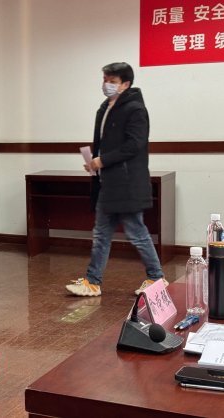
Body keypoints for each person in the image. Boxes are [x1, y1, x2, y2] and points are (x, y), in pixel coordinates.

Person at [65, 62, 168, 297]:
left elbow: (134, 145)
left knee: (137, 233)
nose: (106, 85)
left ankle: (156, 277)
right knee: (101, 234)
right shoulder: (105, 108)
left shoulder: (135, 109)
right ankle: (93, 282)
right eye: (105, 79)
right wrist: (95, 163)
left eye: (112, 81)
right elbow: (104, 144)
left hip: (127, 184)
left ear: (125, 84)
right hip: (108, 183)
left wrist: (102, 161)